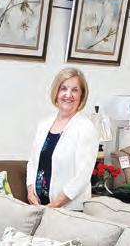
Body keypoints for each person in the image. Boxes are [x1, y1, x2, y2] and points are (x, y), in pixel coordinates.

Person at [26, 68, 99, 209]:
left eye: (75, 90)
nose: (68, 94)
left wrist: (54, 205)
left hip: (69, 210)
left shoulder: (85, 128)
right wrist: (30, 191)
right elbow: (33, 163)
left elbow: (82, 176)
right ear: (56, 92)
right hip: (39, 206)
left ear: (82, 95)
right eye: (63, 88)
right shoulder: (44, 125)